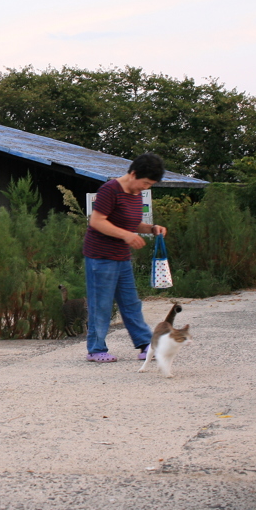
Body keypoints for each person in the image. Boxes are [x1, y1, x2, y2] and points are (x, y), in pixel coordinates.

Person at [83, 153, 167, 363]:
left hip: (122, 257)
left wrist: (151, 229)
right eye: (145, 182)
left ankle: (145, 344)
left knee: (131, 303)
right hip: (100, 256)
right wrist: (126, 235)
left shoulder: (136, 193)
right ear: (133, 173)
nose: (145, 188)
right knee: (101, 304)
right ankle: (96, 349)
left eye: (150, 185)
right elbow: (97, 221)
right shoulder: (110, 190)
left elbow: (130, 222)